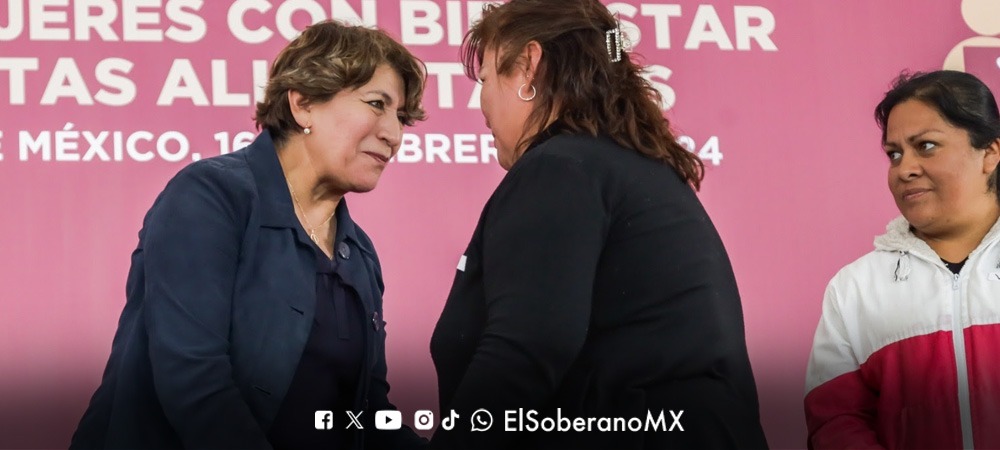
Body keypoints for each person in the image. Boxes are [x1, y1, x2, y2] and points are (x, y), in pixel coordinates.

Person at [69, 20, 427, 449]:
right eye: (376, 104)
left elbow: (366, 414)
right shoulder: (210, 197)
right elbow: (195, 382)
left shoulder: (359, 252)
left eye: (401, 117)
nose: (394, 134)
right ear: (303, 103)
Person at [428, 1, 769, 448]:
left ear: (529, 65)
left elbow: (526, 350)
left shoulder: (559, 169)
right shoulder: (627, 170)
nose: (481, 103)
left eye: (486, 79)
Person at [804, 70, 1000, 449]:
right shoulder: (855, 289)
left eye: (926, 146)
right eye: (894, 154)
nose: (904, 169)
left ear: (990, 153)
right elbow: (834, 421)